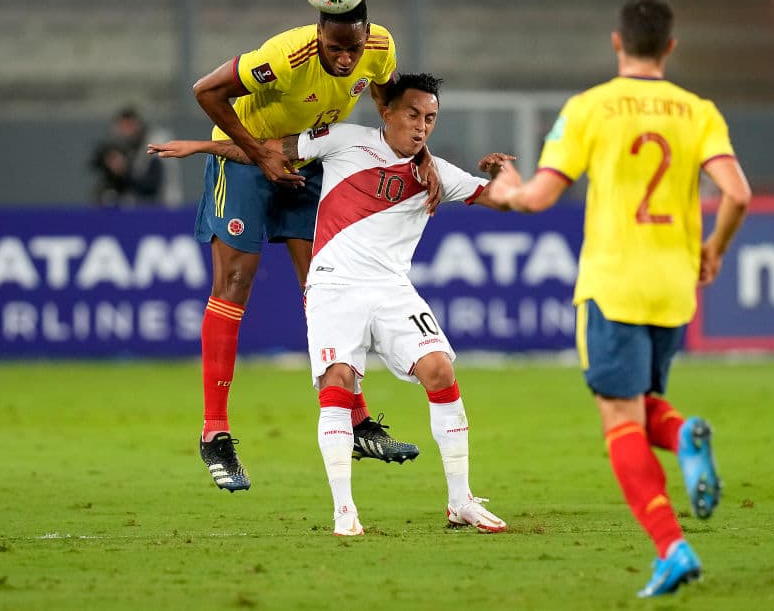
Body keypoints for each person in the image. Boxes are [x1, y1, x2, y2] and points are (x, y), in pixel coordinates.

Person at [151, 72, 512, 535]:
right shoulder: (344, 140)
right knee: (337, 381)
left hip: (392, 289)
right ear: (386, 111)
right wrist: (203, 147)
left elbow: (510, 201)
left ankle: (460, 501)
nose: (421, 126)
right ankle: (345, 512)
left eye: (430, 118)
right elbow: (268, 152)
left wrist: (505, 173)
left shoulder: (436, 172)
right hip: (334, 287)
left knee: (440, 370)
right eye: (412, 114)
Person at [485, 0, 752, 596]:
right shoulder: (697, 111)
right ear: (670, 46)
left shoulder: (591, 108)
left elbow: (539, 198)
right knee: (641, 403)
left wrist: (508, 189)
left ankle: (672, 547)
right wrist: (714, 250)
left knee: (619, 419)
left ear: (616, 42)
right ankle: (682, 436)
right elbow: (738, 193)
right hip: (673, 287)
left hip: (613, 284)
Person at [182, 0, 439, 492]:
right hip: (246, 158)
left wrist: (419, 152)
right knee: (234, 282)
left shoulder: (380, 46)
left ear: (366, 36)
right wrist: (258, 154)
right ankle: (215, 432)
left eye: (352, 49)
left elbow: (387, 100)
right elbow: (206, 91)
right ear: (318, 34)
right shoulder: (285, 55)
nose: (345, 59)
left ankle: (358, 422)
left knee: (329, 283)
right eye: (334, 48)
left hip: (307, 160)